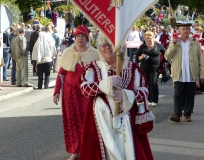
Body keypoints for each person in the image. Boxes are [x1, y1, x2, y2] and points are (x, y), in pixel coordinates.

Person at [79, 35, 154, 160]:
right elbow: (84, 89)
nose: (107, 48)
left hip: (127, 119)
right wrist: (104, 85)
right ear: (99, 48)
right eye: (103, 45)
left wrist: (126, 95)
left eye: (111, 44)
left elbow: (144, 91)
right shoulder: (93, 67)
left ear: (120, 47)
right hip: (101, 120)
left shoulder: (132, 67)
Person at [53, 25, 99, 160]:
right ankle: (75, 150)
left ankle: (88, 149)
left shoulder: (94, 54)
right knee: (72, 121)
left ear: (87, 38)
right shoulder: (68, 52)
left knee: (88, 121)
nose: (80, 39)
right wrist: (56, 91)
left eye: (83, 36)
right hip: (70, 95)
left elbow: (99, 74)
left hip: (87, 94)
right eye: (78, 36)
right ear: (75, 37)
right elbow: (61, 74)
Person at [164, 23, 204, 122]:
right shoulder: (175, 42)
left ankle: (187, 114)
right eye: (183, 29)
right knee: (178, 93)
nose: (186, 31)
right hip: (179, 73)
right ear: (179, 31)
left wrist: (203, 74)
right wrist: (173, 44)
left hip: (192, 73)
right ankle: (177, 114)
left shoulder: (194, 43)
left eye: (187, 29)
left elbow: (201, 59)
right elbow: (167, 57)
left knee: (190, 94)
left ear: (190, 30)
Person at [135, 31, 166, 106]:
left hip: (155, 68)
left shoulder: (158, 45)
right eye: (147, 39)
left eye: (150, 38)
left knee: (153, 82)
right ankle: (148, 99)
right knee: (147, 83)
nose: (149, 40)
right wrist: (141, 57)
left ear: (153, 38)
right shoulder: (142, 46)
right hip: (145, 68)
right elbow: (137, 58)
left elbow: (166, 53)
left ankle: (154, 100)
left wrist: (166, 62)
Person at [32, 24, 56, 89]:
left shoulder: (40, 36)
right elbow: (53, 47)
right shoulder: (50, 37)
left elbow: (36, 48)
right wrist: (53, 55)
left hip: (40, 59)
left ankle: (40, 86)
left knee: (40, 74)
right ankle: (46, 85)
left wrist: (36, 57)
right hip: (48, 58)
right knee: (47, 74)